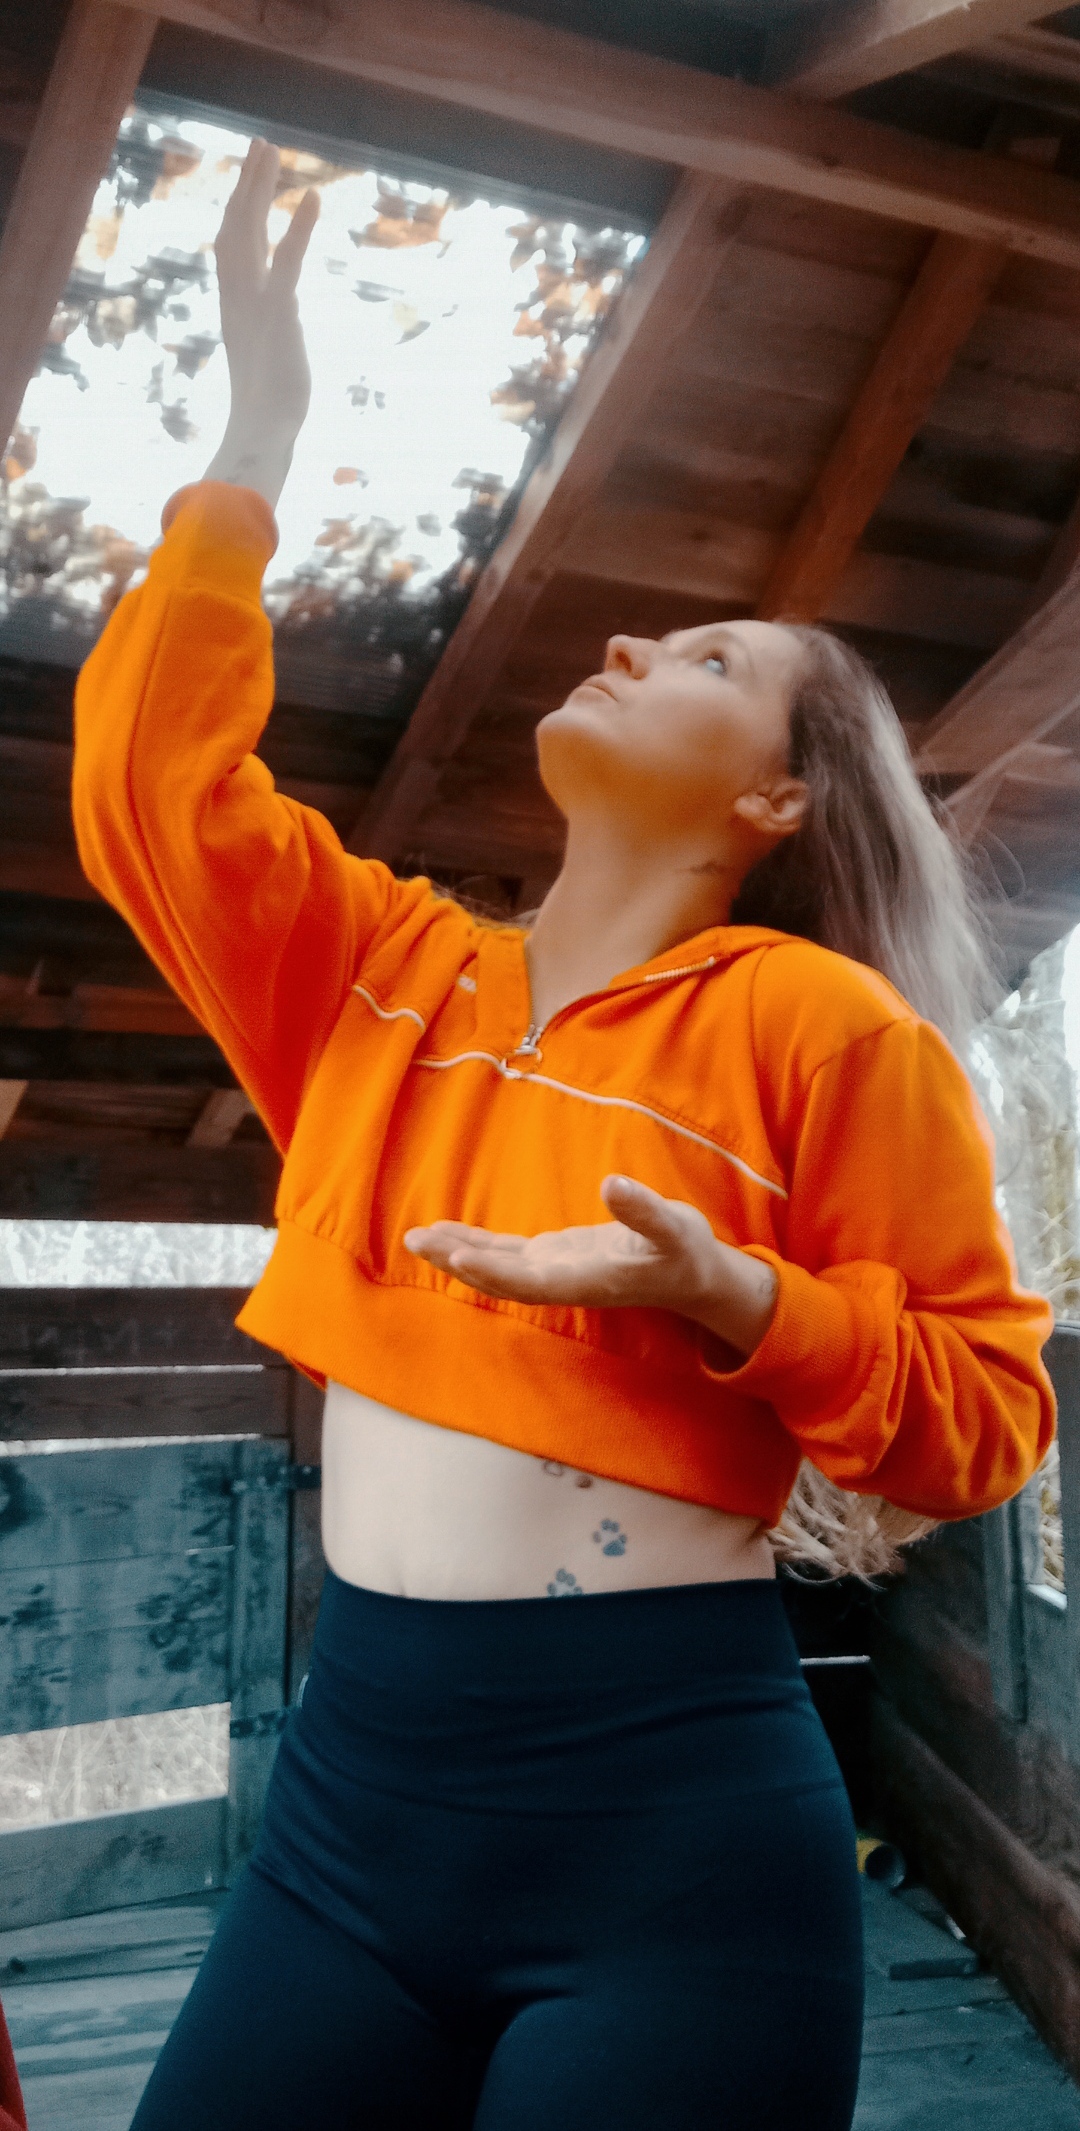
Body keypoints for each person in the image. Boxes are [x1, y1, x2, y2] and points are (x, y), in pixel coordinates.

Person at [73, 142, 1055, 2131]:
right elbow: (149, 794)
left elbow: (982, 1417)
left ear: (778, 803)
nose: (626, 646)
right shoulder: (380, 977)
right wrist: (252, 444)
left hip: (671, 1847)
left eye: (709, 661)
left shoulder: (817, 1024)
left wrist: (744, 1301)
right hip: (347, 1823)